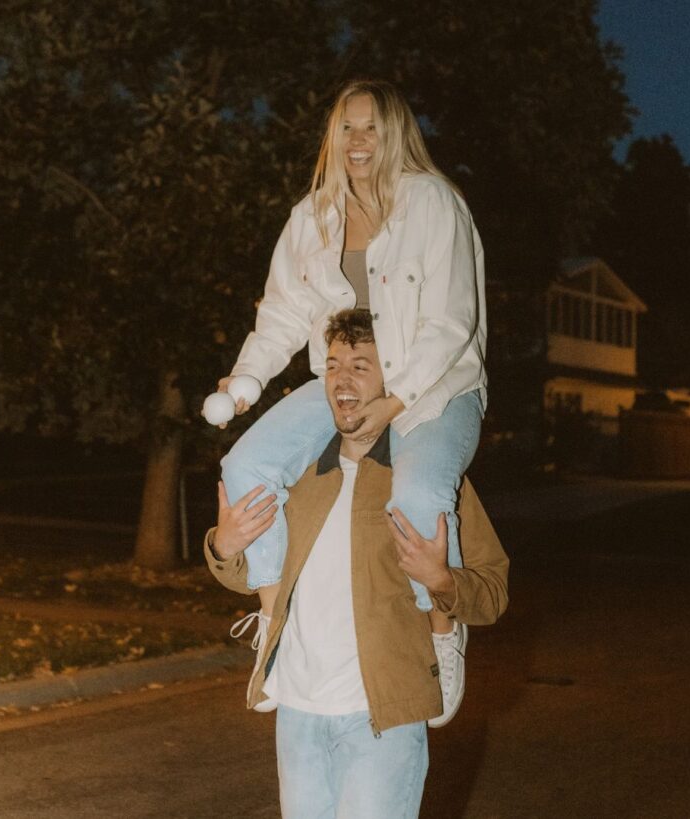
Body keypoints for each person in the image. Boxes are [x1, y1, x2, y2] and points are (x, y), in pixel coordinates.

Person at [215, 79, 487, 708]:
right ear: (331, 137)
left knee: (417, 494)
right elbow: (282, 314)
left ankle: (439, 633)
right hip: (343, 380)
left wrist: (391, 407)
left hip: (436, 385)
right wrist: (246, 378)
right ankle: (274, 620)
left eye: (371, 128)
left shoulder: (435, 204)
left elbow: (452, 322)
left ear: (396, 136)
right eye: (346, 128)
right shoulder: (310, 218)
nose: (358, 141)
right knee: (246, 465)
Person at [206, 309, 508, 818]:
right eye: (333, 365)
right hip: (298, 710)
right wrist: (224, 545)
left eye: (362, 365)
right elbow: (247, 570)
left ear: (394, 381)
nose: (342, 379)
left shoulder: (428, 480)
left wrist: (440, 580)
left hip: (382, 716)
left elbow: (492, 592)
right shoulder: (297, 472)